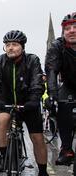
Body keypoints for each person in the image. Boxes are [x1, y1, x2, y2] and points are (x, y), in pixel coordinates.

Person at [0, 30, 52, 176]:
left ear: (22, 47)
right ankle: (3, 155)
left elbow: (38, 82)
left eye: (15, 45)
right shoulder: (0, 61)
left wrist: (34, 99)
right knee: (2, 121)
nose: (10, 48)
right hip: (7, 102)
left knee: (37, 138)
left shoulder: (32, 60)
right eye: (8, 45)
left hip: (28, 103)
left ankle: (43, 174)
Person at [45, 12, 76, 166]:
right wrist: (52, 95)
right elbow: (51, 71)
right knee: (62, 107)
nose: (72, 30)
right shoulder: (58, 47)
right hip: (70, 86)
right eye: (67, 28)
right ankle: (67, 148)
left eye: (75, 27)